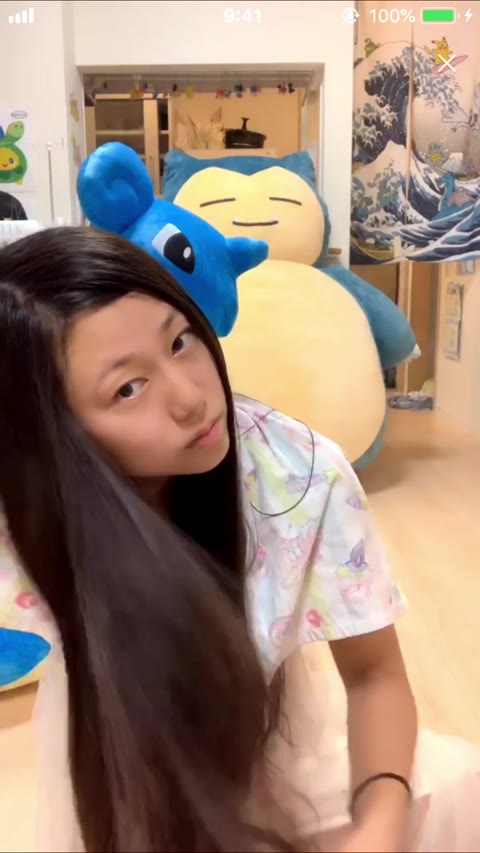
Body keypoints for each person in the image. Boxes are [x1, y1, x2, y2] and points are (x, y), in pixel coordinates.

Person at [0, 227, 479, 853]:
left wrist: (379, 825)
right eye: (128, 388)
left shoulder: (298, 473)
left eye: (180, 341)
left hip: (272, 746)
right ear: (53, 433)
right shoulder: (25, 513)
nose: (191, 398)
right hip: (118, 756)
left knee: (459, 787)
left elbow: (373, 674)